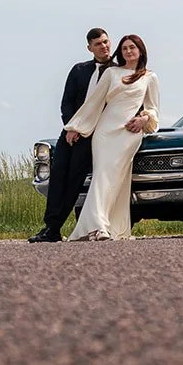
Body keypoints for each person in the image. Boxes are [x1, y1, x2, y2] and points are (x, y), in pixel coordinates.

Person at [63, 34, 160, 241]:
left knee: (117, 181)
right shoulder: (111, 73)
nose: (128, 51)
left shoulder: (149, 77)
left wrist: (144, 119)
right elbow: (94, 103)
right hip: (105, 134)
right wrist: (75, 127)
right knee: (102, 177)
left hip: (129, 135)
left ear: (141, 50)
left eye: (132, 47)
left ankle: (107, 227)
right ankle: (99, 227)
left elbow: (153, 109)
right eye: (124, 48)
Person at [28, 28, 113, 243]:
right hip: (69, 133)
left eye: (105, 42)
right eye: (98, 44)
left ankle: (56, 227)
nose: (103, 46)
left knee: (74, 182)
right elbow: (66, 102)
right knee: (58, 177)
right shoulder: (79, 70)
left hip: (94, 136)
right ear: (89, 48)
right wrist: (71, 127)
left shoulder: (117, 71)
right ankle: (51, 227)